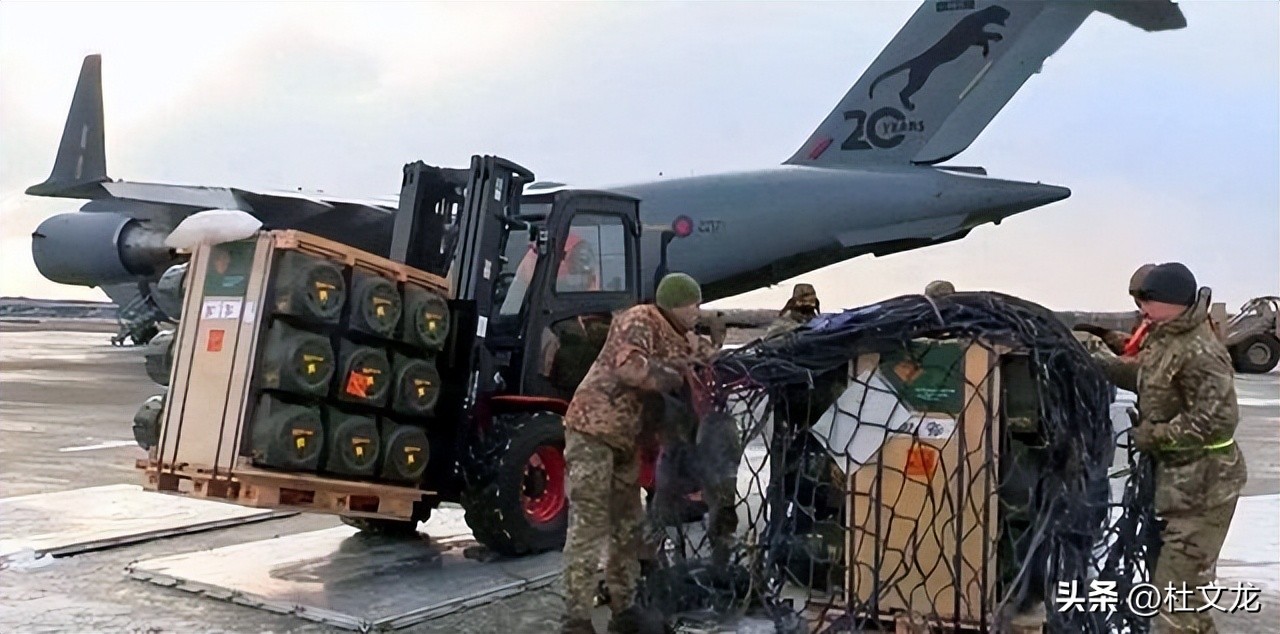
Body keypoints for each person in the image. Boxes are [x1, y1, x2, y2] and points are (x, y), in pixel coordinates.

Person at [1091, 262, 1247, 634]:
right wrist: (1097, 363)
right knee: (1182, 600)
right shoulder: (1167, 336)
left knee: (1176, 600)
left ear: (1173, 301)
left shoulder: (1201, 351)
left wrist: (1153, 435)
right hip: (1178, 487)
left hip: (1204, 490)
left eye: (1147, 300)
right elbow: (1144, 373)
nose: (1141, 309)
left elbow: (1216, 421)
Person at [559, 272, 713, 634]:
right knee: (590, 524)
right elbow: (630, 368)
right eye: (695, 304)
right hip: (594, 430)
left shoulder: (680, 337)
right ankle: (576, 619)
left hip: (627, 440)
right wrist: (671, 376)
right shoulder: (641, 319)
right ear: (677, 303)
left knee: (627, 528)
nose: (699, 312)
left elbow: (705, 356)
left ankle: (624, 609)